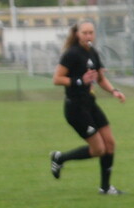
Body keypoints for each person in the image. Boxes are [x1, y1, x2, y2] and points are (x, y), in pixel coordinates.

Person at [49, 21, 127, 195]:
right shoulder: (71, 54)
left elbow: (100, 79)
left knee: (110, 144)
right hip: (75, 108)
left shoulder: (93, 52)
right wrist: (79, 81)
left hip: (90, 104)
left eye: (91, 32)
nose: (88, 36)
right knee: (99, 149)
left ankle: (105, 188)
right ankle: (60, 158)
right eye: (84, 33)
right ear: (78, 34)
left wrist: (114, 91)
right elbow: (57, 79)